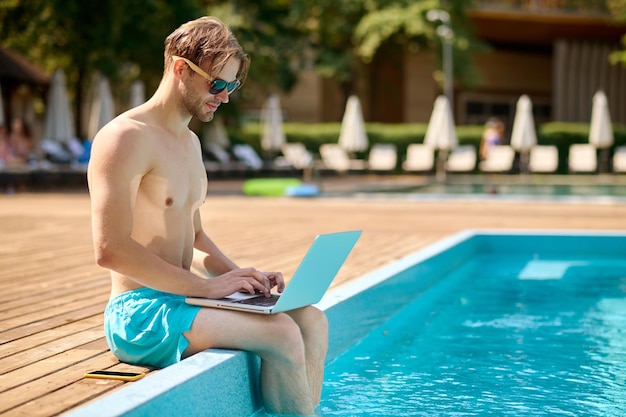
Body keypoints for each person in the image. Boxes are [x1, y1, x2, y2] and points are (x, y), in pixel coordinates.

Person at [87, 17, 327, 416]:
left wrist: (245, 280)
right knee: (283, 334)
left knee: (312, 320)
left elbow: (194, 237)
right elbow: (110, 250)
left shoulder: (191, 143)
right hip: (140, 312)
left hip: (185, 296)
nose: (226, 97)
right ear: (181, 69)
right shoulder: (124, 138)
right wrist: (208, 289)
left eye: (232, 85)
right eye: (217, 84)